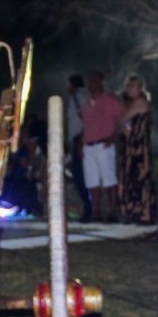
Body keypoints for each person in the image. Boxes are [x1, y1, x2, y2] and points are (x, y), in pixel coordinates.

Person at [80, 70, 124, 222]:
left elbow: (124, 118)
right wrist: (81, 143)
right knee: (92, 181)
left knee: (109, 179)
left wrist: (113, 137)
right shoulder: (86, 103)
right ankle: (96, 212)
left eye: (95, 81)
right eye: (90, 82)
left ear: (102, 83)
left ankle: (113, 212)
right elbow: (85, 125)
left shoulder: (110, 101)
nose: (92, 84)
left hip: (103, 144)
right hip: (88, 145)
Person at [117, 75, 157, 224]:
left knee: (140, 178)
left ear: (140, 88)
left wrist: (122, 126)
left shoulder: (140, 103)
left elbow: (122, 120)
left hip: (139, 148)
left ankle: (144, 212)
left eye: (132, 86)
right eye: (128, 86)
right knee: (132, 179)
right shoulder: (132, 104)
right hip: (131, 146)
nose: (128, 89)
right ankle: (135, 211)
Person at [67, 74, 92, 222]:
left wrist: (81, 140)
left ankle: (88, 208)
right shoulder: (77, 97)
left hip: (80, 138)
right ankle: (88, 207)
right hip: (77, 138)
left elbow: (85, 119)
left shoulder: (78, 97)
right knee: (79, 175)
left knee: (79, 175)